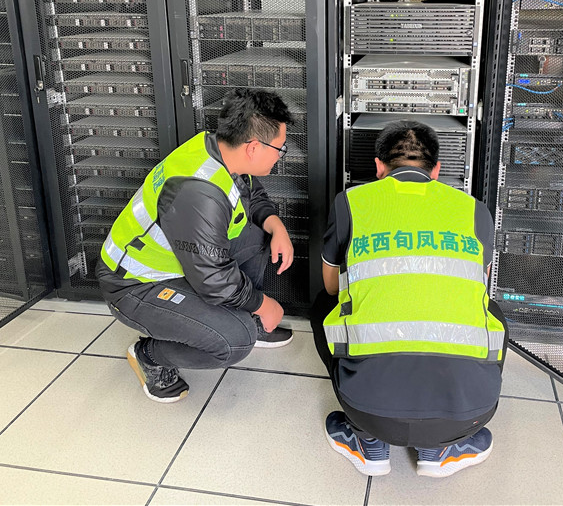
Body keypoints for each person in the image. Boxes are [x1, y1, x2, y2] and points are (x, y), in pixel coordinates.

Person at [311, 119, 508, 478]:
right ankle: (440, 449)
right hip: (468, 413)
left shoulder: (350, 202)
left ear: (379, 167)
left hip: (368, 409)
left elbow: (331, 287)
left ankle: (367, 441)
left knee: (324, 307)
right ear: (437, 170)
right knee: (490, 311)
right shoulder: (474, 210)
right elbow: (478, 285)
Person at [97, 88, 296, 403]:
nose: (281, 154)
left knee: (257, 235)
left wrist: (275, 224)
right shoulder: (199, 191)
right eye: (279, 148)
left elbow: (250, 193)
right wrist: (263, 305)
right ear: (254, 147)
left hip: (186, 262)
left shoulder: (218, 150)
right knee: (235, 340)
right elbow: (214, 280)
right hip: (135, 285)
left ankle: (244, 317)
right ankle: (150, 356)